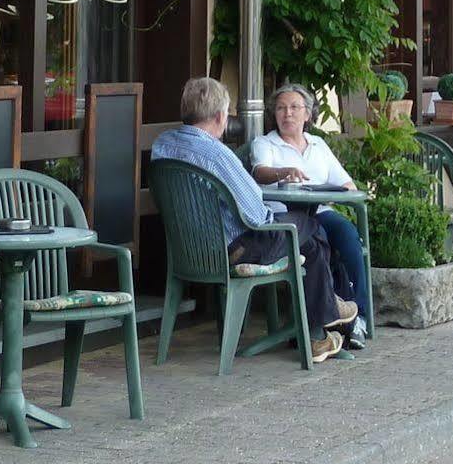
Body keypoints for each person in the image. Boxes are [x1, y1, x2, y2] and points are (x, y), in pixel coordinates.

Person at [152, 77, 356, 363]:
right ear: (221, 116)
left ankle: (325, 317)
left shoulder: (162, 146)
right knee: (309, 229)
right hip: (235, 251)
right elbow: (258, 215)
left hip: (189, 252)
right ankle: (321, 327)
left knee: (305, 232)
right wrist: (286, 220)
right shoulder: (218, 155)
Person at [248, 84, 372, 348]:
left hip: (321, 211)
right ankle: (331, 323)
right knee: (322, 241)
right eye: (281, 108)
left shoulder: (319, 144)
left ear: (308, 115)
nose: (287, 114)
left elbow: (346, 184)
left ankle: (357, 315)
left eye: (294, 108)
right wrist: (284, 173)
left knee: (349, 237)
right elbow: (260, 172)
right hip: (287, 216)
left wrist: (334, 193)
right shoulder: (266, 143)